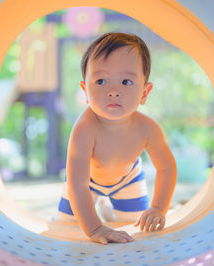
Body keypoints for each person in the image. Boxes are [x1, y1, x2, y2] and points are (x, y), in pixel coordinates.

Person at [57, 32, 177, 245]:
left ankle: (109, 212)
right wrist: (95, 229)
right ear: (85, 90)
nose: (113, 91)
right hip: (86, 182)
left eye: (126, 81)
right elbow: (77, 185)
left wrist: (159, 208)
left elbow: (166, 167)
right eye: (101, 81)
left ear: (144, 92)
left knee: (133, 224)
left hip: (128, 179)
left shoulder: (147, 128)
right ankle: (98, 213)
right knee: (67, 224)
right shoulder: (84, 129)